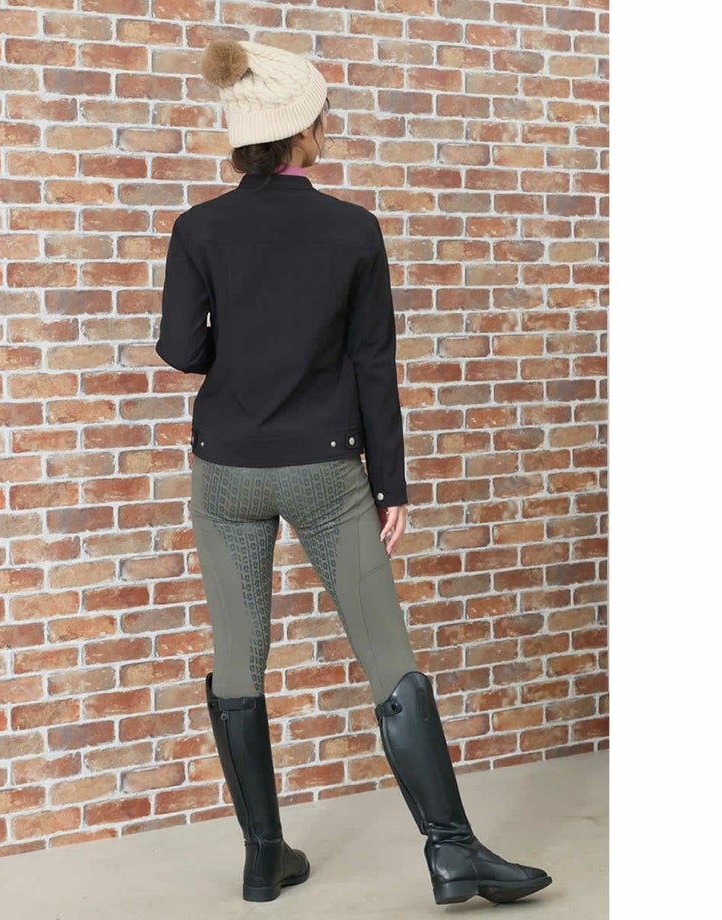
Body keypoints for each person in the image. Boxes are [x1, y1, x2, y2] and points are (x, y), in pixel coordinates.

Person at [155, 38, 553, 908]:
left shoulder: (197, 228)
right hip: (326, 472)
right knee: (388, 658)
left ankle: (264, 858)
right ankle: (452, 852)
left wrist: (242, 355)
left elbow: (180, 349)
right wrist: (391, 485)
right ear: (303, 132)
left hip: (225, 472)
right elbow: (375, 364)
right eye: (322, 117)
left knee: (238, 660)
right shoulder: (352, 229)